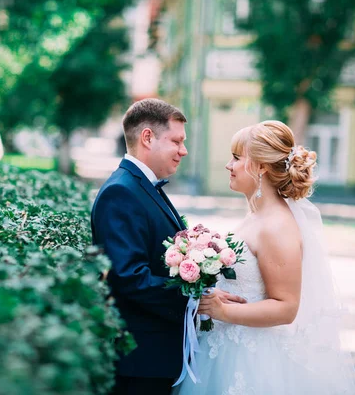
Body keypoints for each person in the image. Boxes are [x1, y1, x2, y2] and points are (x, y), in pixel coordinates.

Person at [173, 120, 355, 395]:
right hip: (223, 349)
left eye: (237, 158)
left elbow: (286, 307)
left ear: (260, 166)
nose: (229, 165)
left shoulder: (277, 226)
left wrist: (222, 310)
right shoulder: (257, 216)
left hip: (252, 361)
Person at [91, 99, 243, 395]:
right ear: (147, 137)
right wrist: (196, 300)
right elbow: (129, 277)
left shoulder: (142, 187)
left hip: (155, 359)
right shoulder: (121, 192)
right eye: (176, 141)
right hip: (140, 362)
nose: (183, 151)